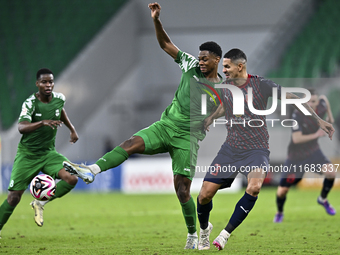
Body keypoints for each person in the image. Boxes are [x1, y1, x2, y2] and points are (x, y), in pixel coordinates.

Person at [63, 2, 223, 249]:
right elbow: (165, 45)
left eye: (205, 59)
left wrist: (212, 118)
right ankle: (92, 170)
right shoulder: (190, 65)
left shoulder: (222, 89)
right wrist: (156, 20)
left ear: (217, 61)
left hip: (187, 139)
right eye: (200, 58)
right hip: (165, 126)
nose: (200, 62)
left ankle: (195, 232)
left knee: (182, 191)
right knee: (130, 144)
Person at [195, 49, 335, 250]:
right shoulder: (226, 86)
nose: (223, 70)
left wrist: (319, 120)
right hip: (230, 149)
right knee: (204, 195)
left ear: (240, 66)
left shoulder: (262, 85)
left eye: (227, 66)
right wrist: (209, 119)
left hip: (257, 150)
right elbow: (224, 107)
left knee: (254, 187)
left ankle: (224, 235)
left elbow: (294, 98)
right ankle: (204, 230)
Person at [0, 68, 79, 237]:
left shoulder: (59, 98)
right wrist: (42, 122)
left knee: (72, 178)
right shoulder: (30, 103)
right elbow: (21, 127)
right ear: (37, 84)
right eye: (44, 82)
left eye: (50, 81)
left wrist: (72, 129)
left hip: (49, 153)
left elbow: (60, 111)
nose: (48, 84)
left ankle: (40, 203)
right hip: (27, 155)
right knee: (13, 198)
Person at [274, 88, 336, 223]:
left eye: (314, 101)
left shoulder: (322, 104)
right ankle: (279, 212)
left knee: (331, 173)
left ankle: (322, 199)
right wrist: (317, 134)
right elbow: (296, 138)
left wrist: (329, 117)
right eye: (308, 101)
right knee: (282, 191)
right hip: (296, 157)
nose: (311, 104)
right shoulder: (297, 115)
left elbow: (328, 113)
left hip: (314, 152)